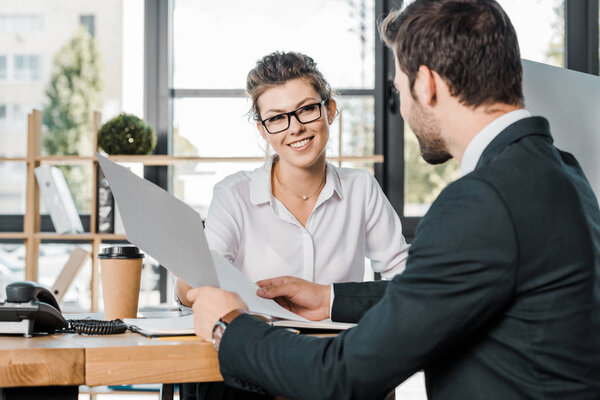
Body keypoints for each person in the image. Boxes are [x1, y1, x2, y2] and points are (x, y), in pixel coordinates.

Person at [187, 1, 600, 399]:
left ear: (427, 84)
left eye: (399, 88)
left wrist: (229, 326)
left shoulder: (479, 202)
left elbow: (341, 376)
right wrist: (331, 299)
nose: (401, 106)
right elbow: (444, 288)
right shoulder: (562, 172)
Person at [176, 51, 409, 305]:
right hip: (262, 339)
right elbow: (195, 289)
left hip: (340, 342)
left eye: (307, 109)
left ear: (329, 110)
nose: (295, 127)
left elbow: (406, 278)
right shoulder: (233, 194)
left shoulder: (361, 188)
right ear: (263, 130)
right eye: (277, 118)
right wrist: (190, 277)